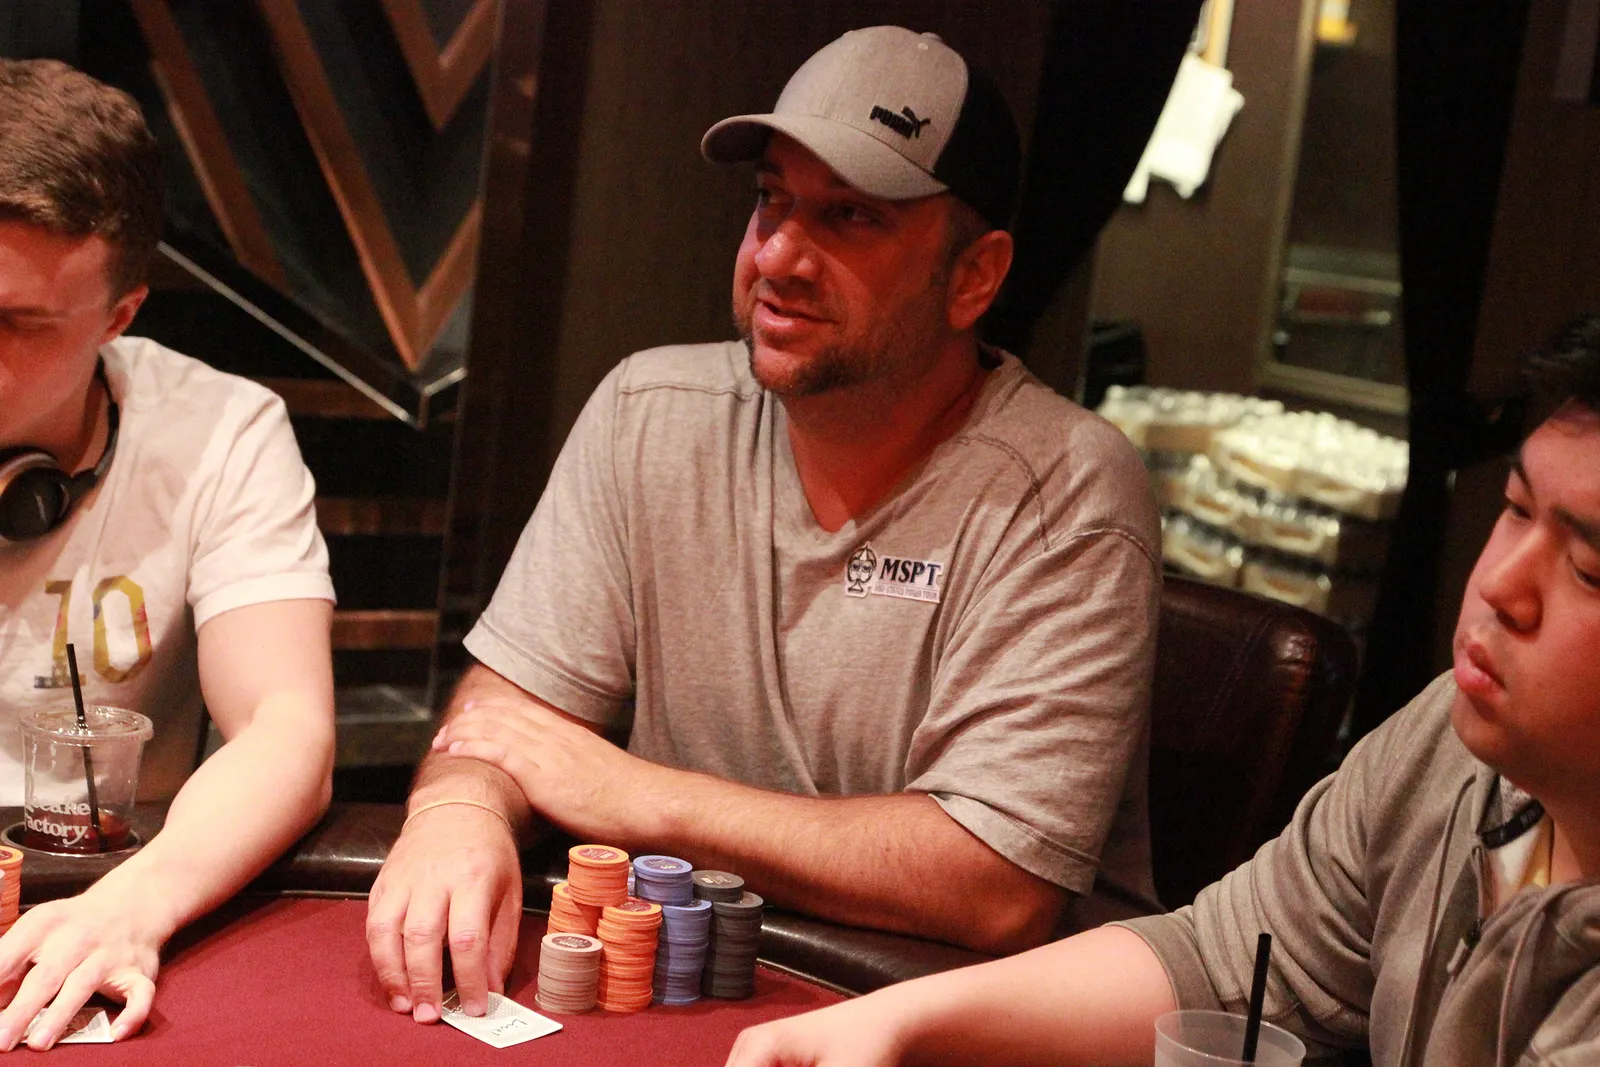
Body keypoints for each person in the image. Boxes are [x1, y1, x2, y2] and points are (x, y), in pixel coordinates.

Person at [368, 26, 1161, 1024]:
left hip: (973, 1024)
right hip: (711, 992)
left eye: (851, 216)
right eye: (771, 200)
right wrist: (460, 808)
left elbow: (993, 885)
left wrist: (637, 795)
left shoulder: (1066, 489)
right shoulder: (649, 411)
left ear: (974, 276)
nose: (778, 256)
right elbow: (505, 718)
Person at [723, 314, 1600, 1066]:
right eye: (1515, 509)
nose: (1501, 587)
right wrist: (890, 1021)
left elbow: (991, 882)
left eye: (1588, 569)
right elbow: (1221, 958)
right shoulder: (1445, 744)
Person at [0, 60, 336, 1048]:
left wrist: (134, 905)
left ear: (118, 317)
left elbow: (285, 725)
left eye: (15, 324)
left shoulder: (225, 432)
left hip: (103, 883)